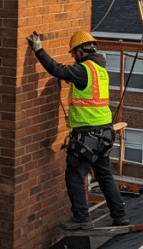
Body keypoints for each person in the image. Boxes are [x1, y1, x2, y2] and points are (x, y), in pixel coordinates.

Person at [27, 30, 129, 232]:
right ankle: (120, 216)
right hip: (105, 133)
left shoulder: (83, 70)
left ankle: (82, 217)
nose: (73, 58)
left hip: (88, 136)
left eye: (74, 54)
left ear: (81, 52)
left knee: (74, 174)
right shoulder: (100, 71)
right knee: (105, 175)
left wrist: (38, 49)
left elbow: (56, 69)